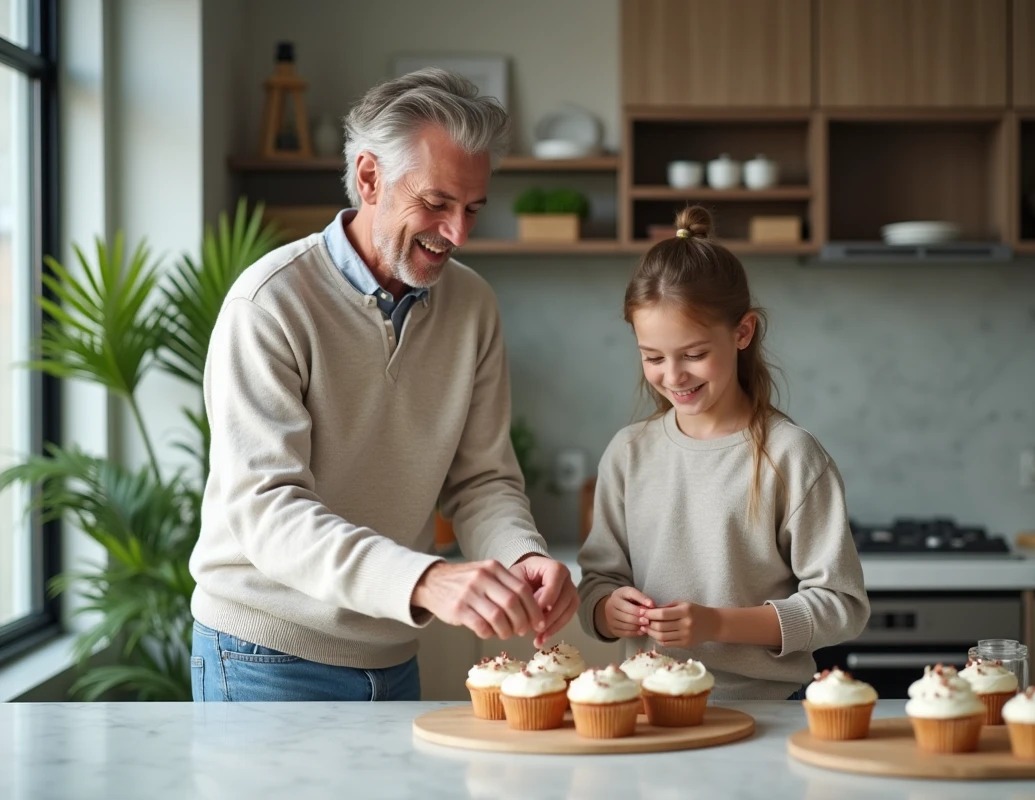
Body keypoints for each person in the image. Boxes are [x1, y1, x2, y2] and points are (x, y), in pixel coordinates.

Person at [189, 69, 579, 702]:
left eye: (473, 209)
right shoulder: (270, 304)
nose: (458, 234)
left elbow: (481, 480)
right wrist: (425, 580)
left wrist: (520, 557)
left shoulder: (472, 306)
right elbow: (268, 508)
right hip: (263, 652)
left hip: (393, 653)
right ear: (369, 178)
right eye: (436, 203)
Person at [576, 206, 869, 700]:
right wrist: (607, 610)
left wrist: (718, 623)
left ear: (742, 332)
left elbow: (841, 606)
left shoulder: (791, 455)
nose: (673, 376)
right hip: (650, 712)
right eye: (652, 357)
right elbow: (597, 583)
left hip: (769, 711)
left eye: (693, 354)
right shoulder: (628, 454)